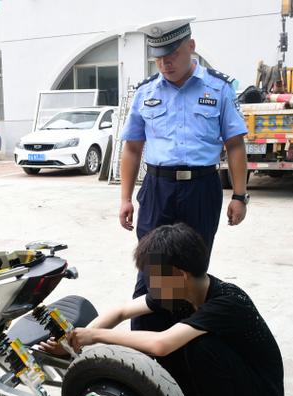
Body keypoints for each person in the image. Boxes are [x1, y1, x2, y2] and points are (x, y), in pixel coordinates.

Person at [42, 223, 285, 396]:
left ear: (179, 275)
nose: (150, 285)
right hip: (230, 381)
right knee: (151, 320)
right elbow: (121, 312)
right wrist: (74, 341)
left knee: (203, 345)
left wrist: (94, 336)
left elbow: (162, 344)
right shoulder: (183, 292)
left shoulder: (227, 301)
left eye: (153, 278)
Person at [118, 17, 250, 331]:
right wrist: (125, 198)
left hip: (201, 189)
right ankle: (148, 342)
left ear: (191, 47)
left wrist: (240, 196)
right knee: (154, 266)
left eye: (172, 55)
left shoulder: (218, 88)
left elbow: (235, 145)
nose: (165, 64)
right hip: (158, 189)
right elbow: (132, 147)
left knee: (192, 269)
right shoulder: (146, 92)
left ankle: (188, 340)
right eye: (159, 58)